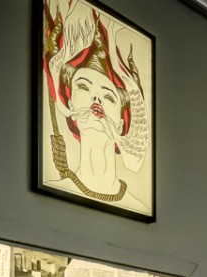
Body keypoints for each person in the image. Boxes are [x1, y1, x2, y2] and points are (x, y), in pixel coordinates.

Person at [44, 6, 150, 213]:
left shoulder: (137, 206)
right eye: (83, 87)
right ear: (71, 105)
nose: (96, 99)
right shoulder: (55, 187)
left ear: (121, 123)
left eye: (108, 96)